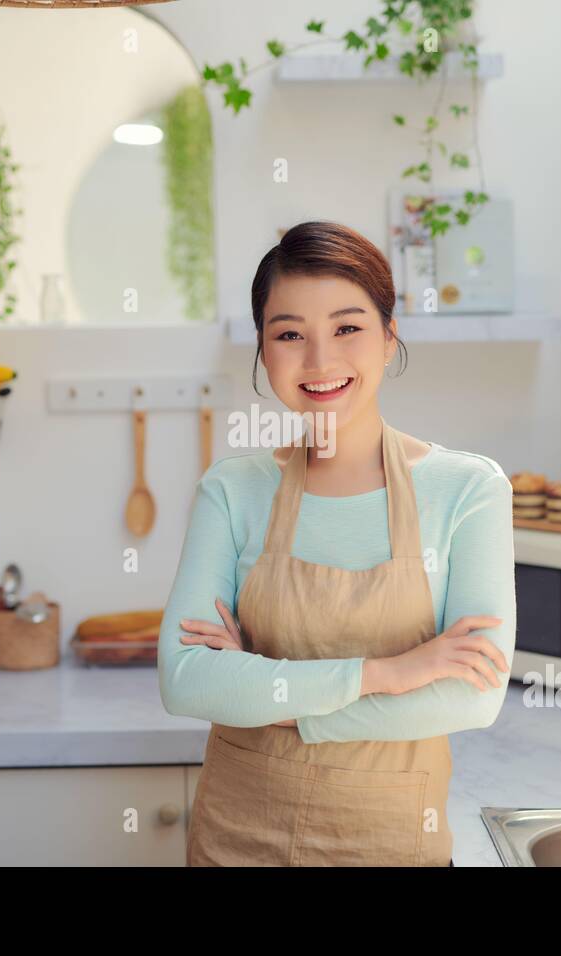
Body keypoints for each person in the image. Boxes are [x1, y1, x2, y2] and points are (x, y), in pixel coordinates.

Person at [158, 220, 516, 866]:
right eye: (290, 334)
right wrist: (390, 674)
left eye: (347, 328)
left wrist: (272, 703)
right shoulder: (232, 491)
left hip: (391, 841)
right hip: (236, 841)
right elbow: (186, 681)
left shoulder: (467, 490)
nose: (320, 362)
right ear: (264, 353)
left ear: (388, 336)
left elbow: (474, 696)